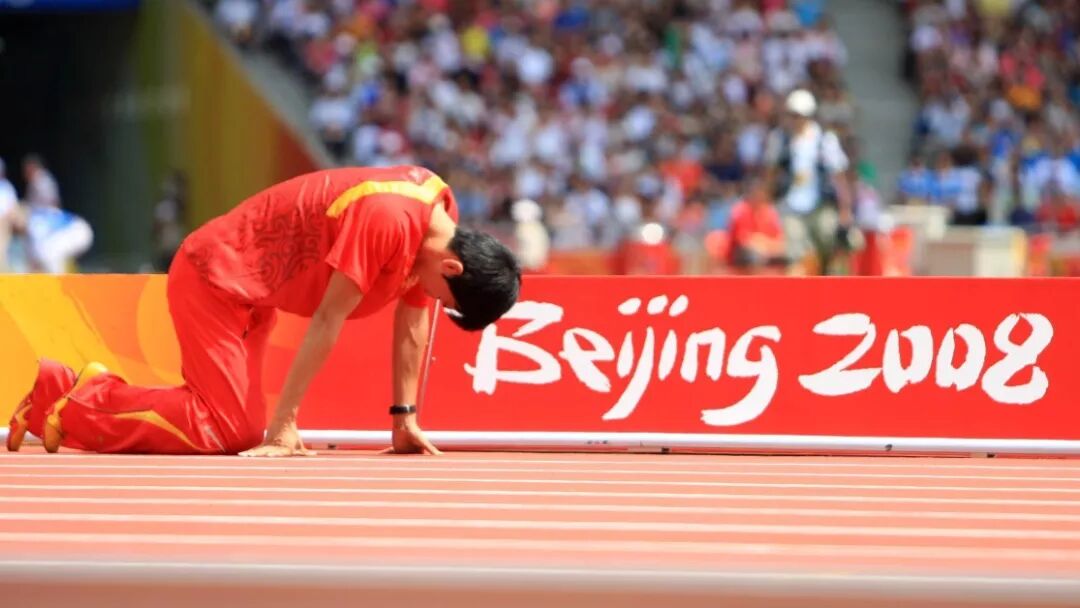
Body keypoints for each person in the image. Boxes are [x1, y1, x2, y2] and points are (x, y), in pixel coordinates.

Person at [7, 166, 521, 457]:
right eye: (444, 297)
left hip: (255, 297)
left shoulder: (440, 217)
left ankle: (84, 394)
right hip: (214, 277)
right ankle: (71, 397)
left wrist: (404, 419)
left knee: (237, 432)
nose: (431, 300)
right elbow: (327, 319)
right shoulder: (389, 219)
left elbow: (412, 320)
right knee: (219, 430)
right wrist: (286, 424)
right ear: (452, 266)